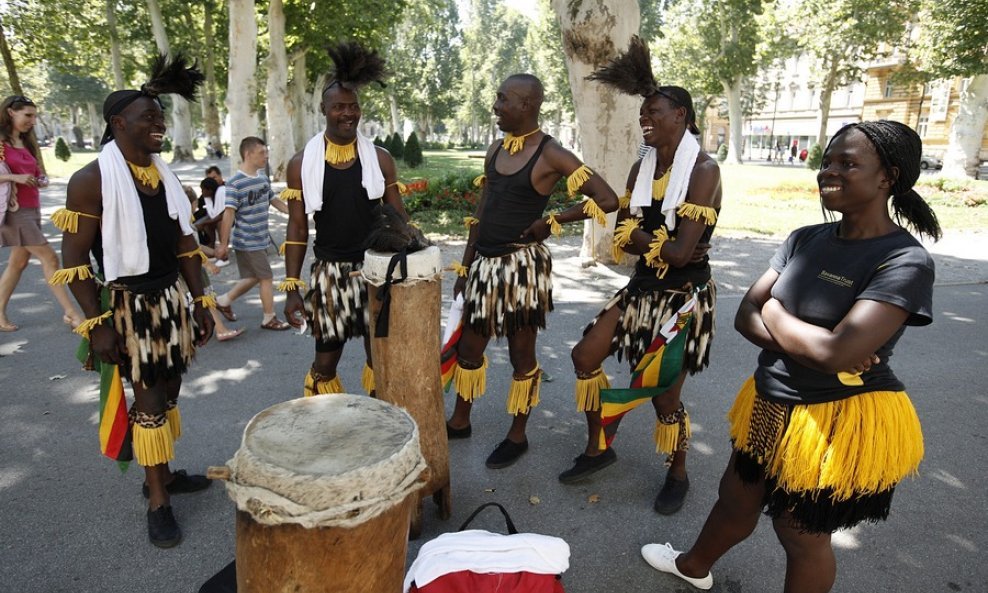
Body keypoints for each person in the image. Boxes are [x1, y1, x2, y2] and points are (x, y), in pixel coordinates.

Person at [641, 120, 940, 592]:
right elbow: (745, 317)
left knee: (799, 533)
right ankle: (693, 567)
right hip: (770, 400)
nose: (828, 172)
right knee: (734, 501)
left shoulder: (904, 260)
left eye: (847, 163)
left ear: (888, 177)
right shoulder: (805, 238)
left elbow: (834, 353)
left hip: (835, 419)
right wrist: (819, 343)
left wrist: (777, 311)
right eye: (827, 161)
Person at [54, 55, 215, 548]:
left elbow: (186, 244)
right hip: (128, 308)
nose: (159, 125)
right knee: (147, 400)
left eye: (160, 117)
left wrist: (202, 300)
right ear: (118, 123)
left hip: (170, 302)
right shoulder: (91, 180)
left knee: (169, 391)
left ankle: (161, 472)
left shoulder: (164, 176)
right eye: (148, 117)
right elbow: (76, 260)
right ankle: (157, 500)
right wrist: (96, 324)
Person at [557, 37, 720, 516]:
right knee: (584, 355)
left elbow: (681, 251)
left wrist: (654, 241)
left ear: (682, 118)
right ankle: (598, 447)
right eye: (642, 114)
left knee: (665, 394)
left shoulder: (704, 171)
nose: (644, 120)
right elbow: (621, 240)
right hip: (642, 288)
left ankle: (678, 471)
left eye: (654, 113)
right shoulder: (640, 166)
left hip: (684, 299)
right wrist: (661, 243)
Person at [444, 72, 619, 469]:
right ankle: (460, 420)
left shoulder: (552, 154)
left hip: (521, 269)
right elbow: (482, 212)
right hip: (484, 266)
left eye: (503, 99)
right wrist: (464, 267)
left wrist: (554, 221)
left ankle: (517, 435)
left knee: (522, 354)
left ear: (526, 105)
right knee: (469, 349)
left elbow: (606, 199)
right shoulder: (496, 149)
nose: (496, 106)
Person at [280, 41, 411, 396]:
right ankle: (322, 430)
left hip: (376, 270)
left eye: (353, 107)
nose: (348, 114)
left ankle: (380, 429)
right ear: (324, 109)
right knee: (325, 363)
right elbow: (296, 227)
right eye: (339, 107)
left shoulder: (380, 159)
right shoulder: (300, 163)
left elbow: (399, 218)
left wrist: (413, 263)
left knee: (379, 357)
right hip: (329, 275)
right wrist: (292, 287)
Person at [0, 95, 83, 331]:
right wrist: (13, 177)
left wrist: (41, 179)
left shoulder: (24, 143)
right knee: (50, 258)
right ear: (10, 113)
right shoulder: (1, 144)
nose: (33, 121)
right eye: (27, 115)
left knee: (18, 262)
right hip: (15, 211)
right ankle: (71, 313)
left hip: (32, 208)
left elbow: (36, 171)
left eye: (34, 115)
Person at [213, 137, 291, 329]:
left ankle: (223, 300)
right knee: (266, 277)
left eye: (266, 152)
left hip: (262, 239)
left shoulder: (263, 178)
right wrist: (223, 244)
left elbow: (274, 200)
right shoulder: (234, 183)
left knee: (253, 277)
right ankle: (269, 318)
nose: (266, 156)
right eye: (261, 153)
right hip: (247, 241)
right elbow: (228, 215)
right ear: (248, 154)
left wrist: (296, 213)